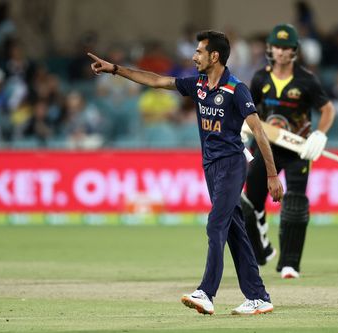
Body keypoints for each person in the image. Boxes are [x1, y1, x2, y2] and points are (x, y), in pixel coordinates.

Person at [88, 30, 284, 315]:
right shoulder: (199, 85)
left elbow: (259, 132)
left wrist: (271, 175)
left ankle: (207, 293)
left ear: (214, 56)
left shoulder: (236, 89)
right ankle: (258, 296)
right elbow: (156, 81)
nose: (194, 57)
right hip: (211, 166)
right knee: (233, 231)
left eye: (199, 52)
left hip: (232, 164)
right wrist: (115, 69)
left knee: (215, 225)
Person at [241, 24, 335, 279]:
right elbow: (249, 109)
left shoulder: (306, 80)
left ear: (294, 51)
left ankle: (290, 263)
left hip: (297, 151)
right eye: (277, 47)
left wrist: (320, 133)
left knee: (294, 203)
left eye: (287, 48)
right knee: (250, 203)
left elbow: (328, 110)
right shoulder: (261, 77)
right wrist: (245, 128)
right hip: (265, 148)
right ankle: (261, 251)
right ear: (271, 49)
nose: (281, 52)